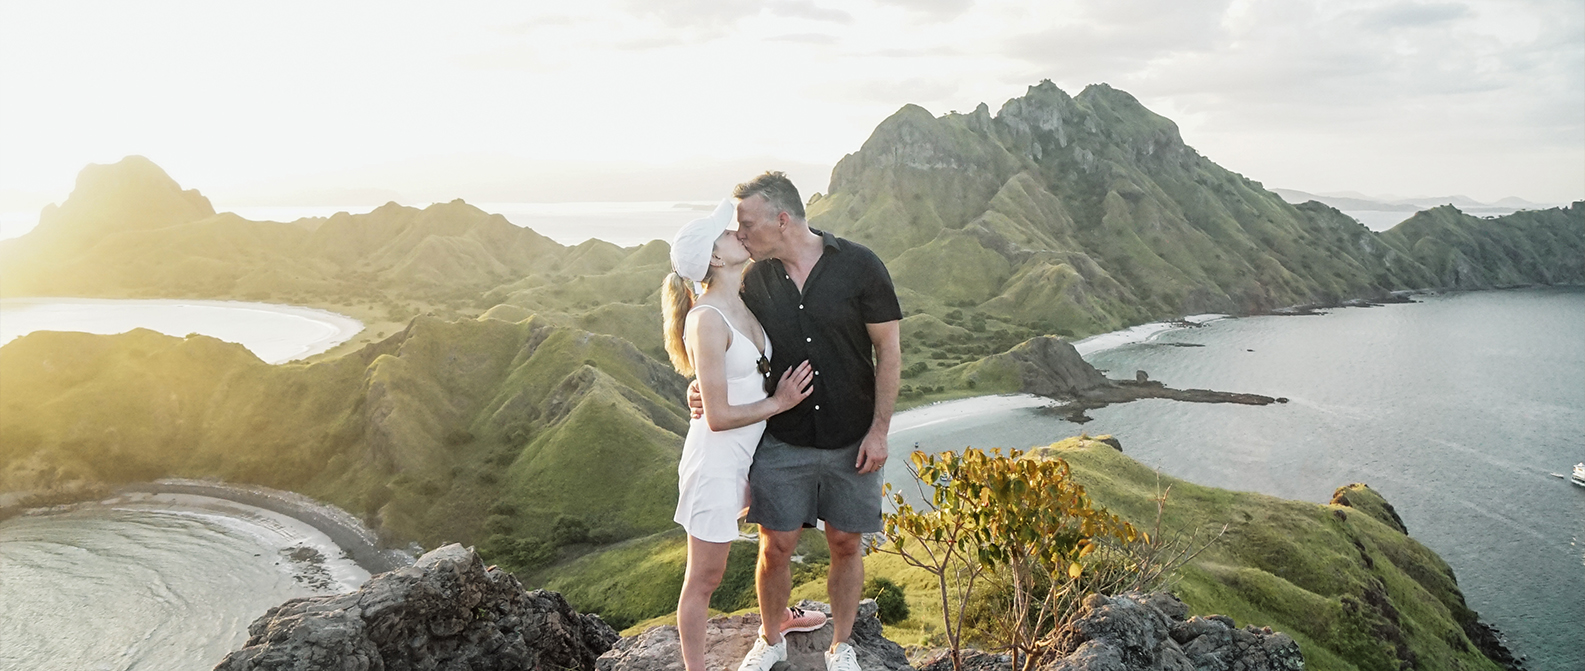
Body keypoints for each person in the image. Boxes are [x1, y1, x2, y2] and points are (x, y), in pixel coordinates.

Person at [690, 173, 902, 671]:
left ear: (782, 220)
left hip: (853, 438)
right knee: (776, 543)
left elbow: (888, 351)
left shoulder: (859, 265)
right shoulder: (752, 279)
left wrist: (879, 431)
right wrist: (698, 385)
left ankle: (842, 645)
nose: (740, 234)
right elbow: (719, 335)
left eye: (747, 223)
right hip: (782, 438)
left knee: (846, 543)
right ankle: (770, 638)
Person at [662, 199, 829, 671]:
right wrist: (778, 403)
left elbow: (728, 383)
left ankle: (776, 619)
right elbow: (715, 416)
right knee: (704, 579)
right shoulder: (707, 318)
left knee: (774, 545)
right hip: (716, 463)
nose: (736, 232)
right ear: (714, 258)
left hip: (750, 458)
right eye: (725, 233)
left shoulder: (741, 301)